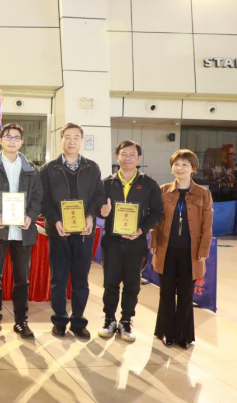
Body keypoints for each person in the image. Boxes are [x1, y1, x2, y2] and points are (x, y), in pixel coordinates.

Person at [0, 123, 44, 339]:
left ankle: (21, 321)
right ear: (0, 140)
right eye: (8, 137)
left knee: (22, 279)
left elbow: (38, 198)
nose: (12, 141)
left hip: (23, 232)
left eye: (16, 138)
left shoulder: (31, 169)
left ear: (21, 142)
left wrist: (31, 216)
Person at [39, 123, 105, 339]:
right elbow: (43, 200)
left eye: (76, 137)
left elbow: (98, 196)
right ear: (61, 140)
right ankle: (59, 321)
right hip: (58, 232)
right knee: (58, 278)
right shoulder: (48, 169)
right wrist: (55, 220)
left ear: (82, 141)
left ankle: (78, 321)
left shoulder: (92, 167)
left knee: (80, 279)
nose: (72, 141)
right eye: (67, 137)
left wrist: (90, 216)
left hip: (84, 233)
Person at [97, 140, 163, 342]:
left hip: (136, 242)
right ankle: (109, 319)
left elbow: (157, 212)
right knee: (110, 283)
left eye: (132, 154)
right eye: (124, 154)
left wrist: (141, 230)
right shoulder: (106, 183)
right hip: (112, 242)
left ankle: (126, 321)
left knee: (132, 284)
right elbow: (96, 208)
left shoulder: (149, 184)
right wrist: (102, 211)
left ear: (139, 158)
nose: (128, 158)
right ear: (116, 156)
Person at [151, 149, 213, 349]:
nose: (180, 168)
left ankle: (183, 336)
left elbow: (207, 226)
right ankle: (166, 333)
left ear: (193, 168)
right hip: (166, 251)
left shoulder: (203, 193)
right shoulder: (163, 191)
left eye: (185, 165)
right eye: (176, 164)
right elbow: (156, 221)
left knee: (186, 296)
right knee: (166, 293)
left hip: (191, 253)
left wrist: (203, 251)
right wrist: (154, 243)